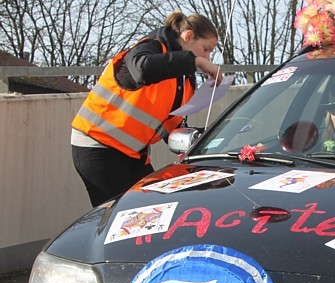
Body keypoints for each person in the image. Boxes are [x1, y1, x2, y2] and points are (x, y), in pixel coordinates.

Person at [71, 11, 223, 207]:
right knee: (120, 217)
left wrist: (206, 141)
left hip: (133, 154)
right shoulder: (151, 46)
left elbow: (170, 126)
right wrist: (194, 61)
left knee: (151, 209)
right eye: (206, 49)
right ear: (188, 37)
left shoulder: (184, 78)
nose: (207, 57)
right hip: (97, 145)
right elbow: (142, 69)